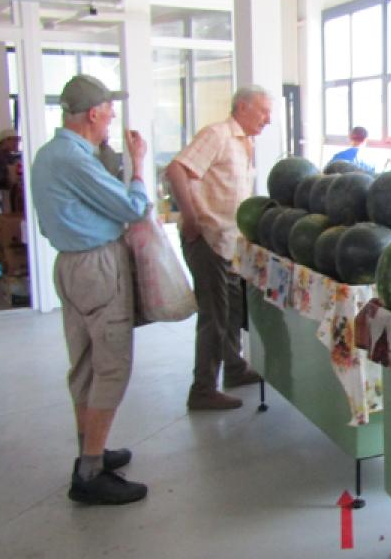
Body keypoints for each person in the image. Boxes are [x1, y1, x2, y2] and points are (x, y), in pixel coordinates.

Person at [30, 74, 150, 505]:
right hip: (97, 266)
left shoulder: (48, 155)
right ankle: (91, 472)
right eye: (109, 112)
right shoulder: (75, 160)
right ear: (94, 114)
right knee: (112, 364)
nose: (112, 118)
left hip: (68, 264)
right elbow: (132, 207)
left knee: (83, 365)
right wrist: (138, 166)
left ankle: (89, 451)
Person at [165, 85, 269, 411]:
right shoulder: (218, 135)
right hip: (208, 239)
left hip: (231, 242)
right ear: (242, 107)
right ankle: (203, 388)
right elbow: (176, 170)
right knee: (215, 315)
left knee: (233, 309)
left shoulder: (245, 143)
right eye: (263, 111)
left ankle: (234, 368)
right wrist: (191, 218)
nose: (267, 119)